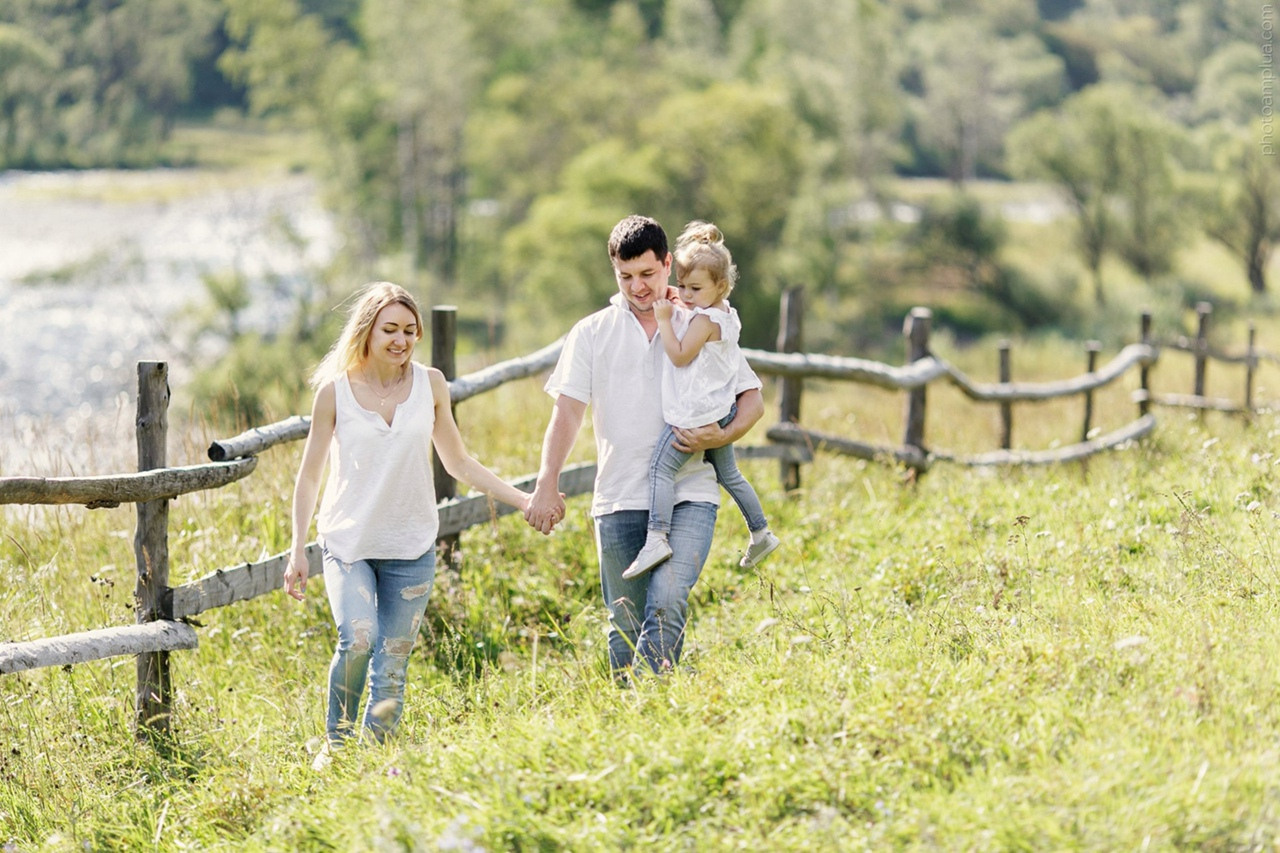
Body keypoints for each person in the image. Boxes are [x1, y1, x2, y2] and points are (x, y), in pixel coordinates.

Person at [283, 281, 533, 756]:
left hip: (411, 547)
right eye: (390, 330)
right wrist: (297, 548)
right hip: (349, 544)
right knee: (358, 639)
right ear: (368, 331)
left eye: (410, 331)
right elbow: (310, 477)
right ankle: (335, 748)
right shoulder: (334, 394)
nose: (401, 340)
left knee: (392, 663)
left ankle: (378, 756)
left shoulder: (431, 384)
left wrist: (522, 500)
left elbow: (458, 463)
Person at [525, 215, 765, 678]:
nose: (637, 286)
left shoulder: (702, 321)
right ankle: (623, 719)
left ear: (668, 264)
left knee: (668, 599)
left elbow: (752, 400)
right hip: (618, 496)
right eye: (625, 276)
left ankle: (653, 704)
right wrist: (546, 483)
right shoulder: (592, 332)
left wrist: (721, 436)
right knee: (625, 618)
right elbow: (568, 412)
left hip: (691, 489)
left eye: (648, 274)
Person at [622, 221, 780, 580]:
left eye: (695, 288)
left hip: (694, 415)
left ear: (720, 286)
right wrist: (684, 299)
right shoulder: (726, 314)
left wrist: (664, 318)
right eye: (683, 285)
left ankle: (657, 537)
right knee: (730, 474)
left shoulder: (703, 321)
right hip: (721, 411)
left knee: (660, 469)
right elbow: (697, 309)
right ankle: (761, 532)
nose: (686, 295)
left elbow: (679, 355)